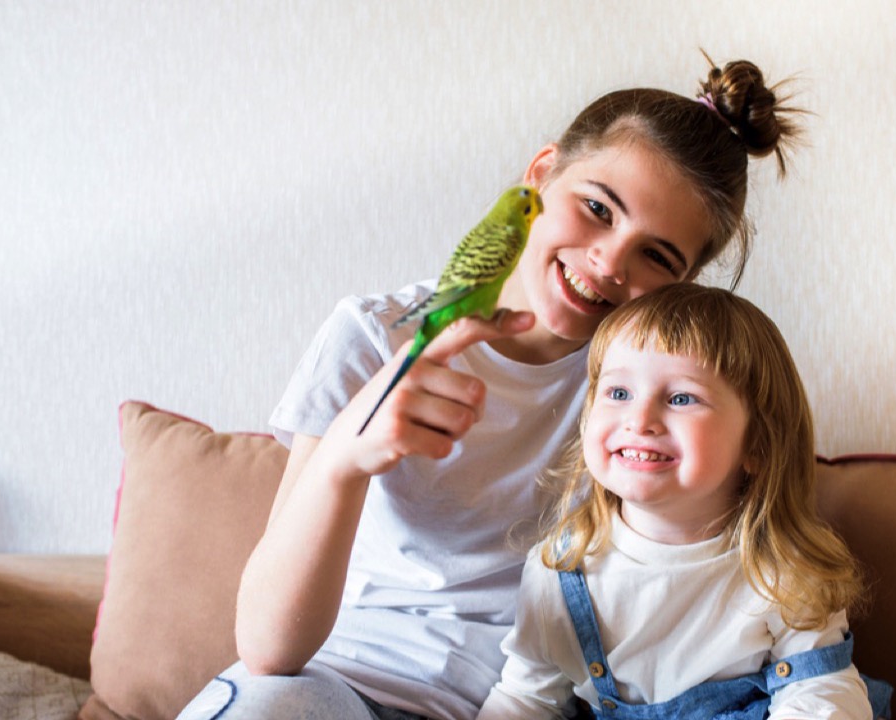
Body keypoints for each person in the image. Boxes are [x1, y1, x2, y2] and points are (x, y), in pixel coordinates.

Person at [177, 54, 805, 720]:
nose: (609, 261)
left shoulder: (642, 406)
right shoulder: (375, 339)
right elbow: (268, 650)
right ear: (541, 174)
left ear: (681, 287)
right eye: (597, 208)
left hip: (522, 701)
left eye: (656, 255)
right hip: (336, 683)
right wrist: (343, 458)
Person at [477, 283, 892, 720]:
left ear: (758, 445)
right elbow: (527, 698)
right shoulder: (560, 568)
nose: (639, 420)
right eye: (619, 393)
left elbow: (821, 695)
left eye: (681, 398)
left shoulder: (783, 571)